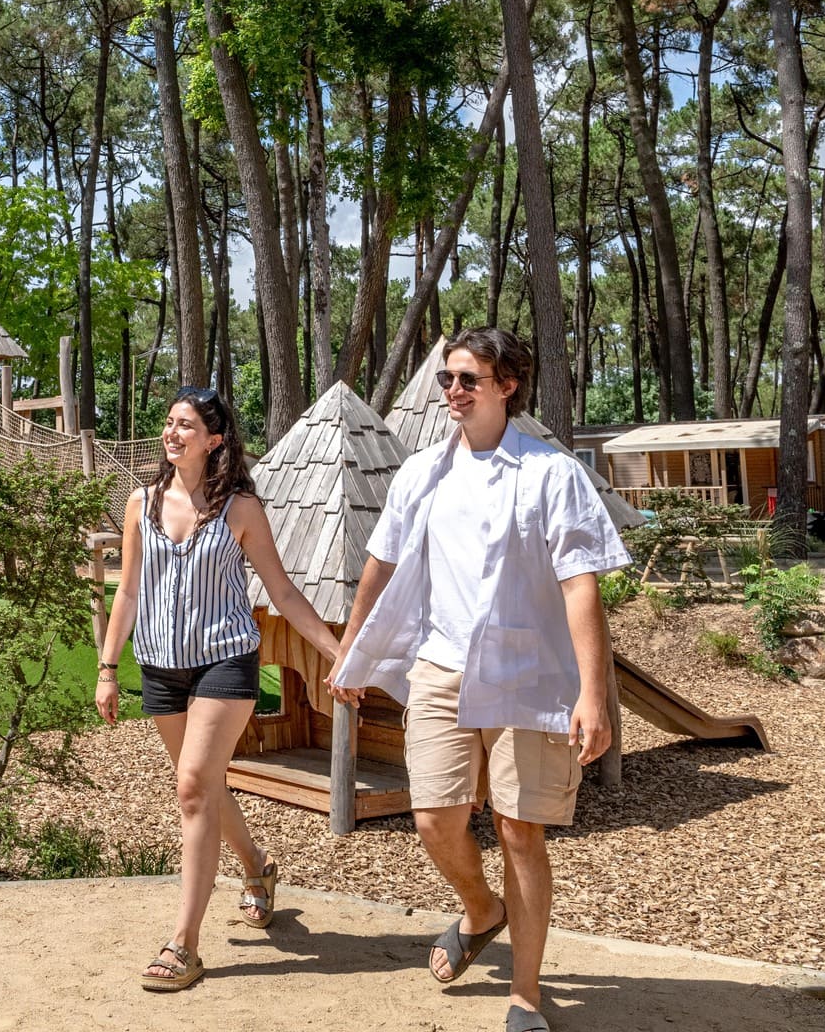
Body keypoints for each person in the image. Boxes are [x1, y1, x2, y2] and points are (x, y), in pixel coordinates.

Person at [331, 329, 631, 1032]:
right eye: (447, 379)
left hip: (529, 671)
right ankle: (481, 910)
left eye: (468, 379)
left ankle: (525, 994)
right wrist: (352, 649)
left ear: (507, 385)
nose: (453, 392)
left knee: (520, 831)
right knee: (435, 818)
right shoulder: (421, 474)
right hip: (440, 667)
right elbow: (381, 562)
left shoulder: (551, 473)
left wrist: (594, 693)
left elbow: (580, 583)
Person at [95, 385, 343, 992]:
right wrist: (107, 668)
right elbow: (126, 592)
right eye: (169, 423)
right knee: (202, 788)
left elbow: (281, 593)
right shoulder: (140, 504)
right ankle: (257, 868)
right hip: (160, 665)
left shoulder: (239, 510)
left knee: (191, 787)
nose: (172, 434)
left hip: (226, 662)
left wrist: (339, 654)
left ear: (214, 441)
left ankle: (184, 944)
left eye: (186, 426)